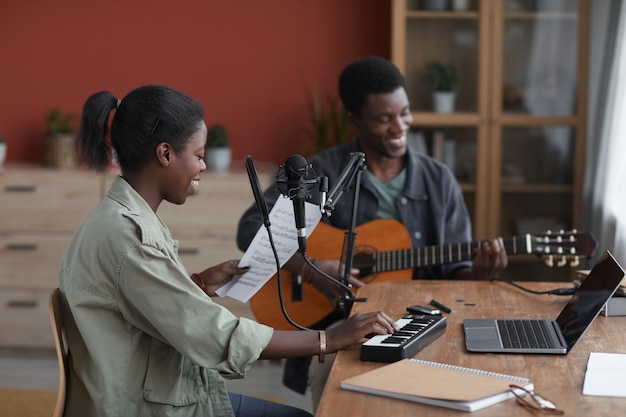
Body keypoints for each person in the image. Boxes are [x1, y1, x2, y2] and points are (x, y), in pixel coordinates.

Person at [59, 84, 399, 417]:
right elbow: (213, 335)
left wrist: (197, 285)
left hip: (149, 389)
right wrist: (329, 338)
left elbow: (139, 306)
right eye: (199, 156)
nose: (203, 167)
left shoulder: (119, 216)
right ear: (165, 154)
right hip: (142, 406)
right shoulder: (131, 237)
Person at [236, 56, 508, 410]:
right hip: (341, 330)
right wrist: (310, 269)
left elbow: (455, 271)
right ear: (355, 120)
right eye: (384, 118)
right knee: (346, 400)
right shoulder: (322, 171)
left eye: (405, 113)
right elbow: (251, 227)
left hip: (424, 326)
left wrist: (481, 273)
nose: (399, 126)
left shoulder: (438, 180)